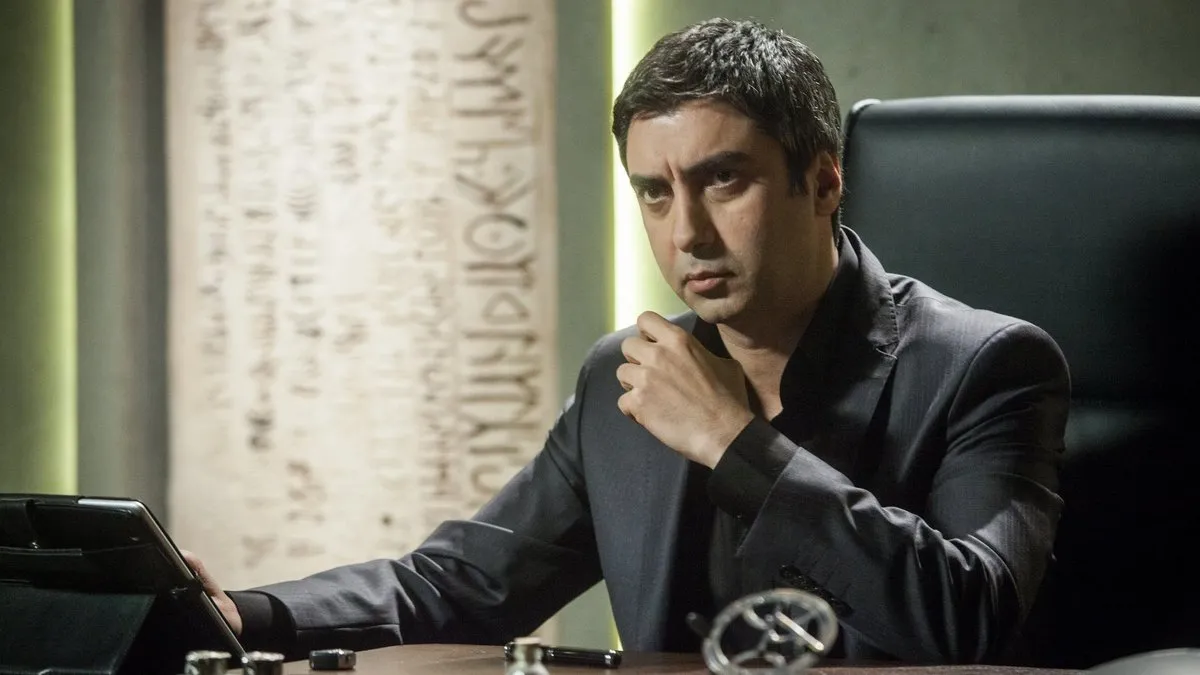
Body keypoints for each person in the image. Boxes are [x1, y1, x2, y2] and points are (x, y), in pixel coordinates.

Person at [187, 17, 1069, 664]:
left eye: (724, 180)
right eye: (655, 192)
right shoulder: (625, 376)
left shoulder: (988, 366)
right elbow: (460, 585)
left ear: (824, 181)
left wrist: (736, 444)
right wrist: (245, 615)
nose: (687, 233)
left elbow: (970, 618)